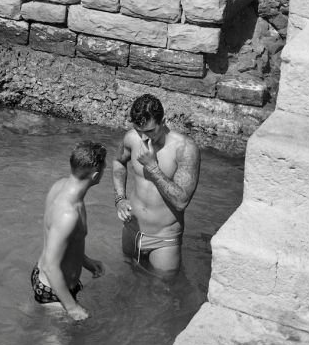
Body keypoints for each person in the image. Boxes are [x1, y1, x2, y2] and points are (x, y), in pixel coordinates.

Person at [112, 93, 200, 275]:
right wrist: (120, 198)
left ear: (164, 121)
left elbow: (181, 201)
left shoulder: (185, 148)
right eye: (139, 130)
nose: (144, 138)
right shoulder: (131, 138)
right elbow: (118, 162)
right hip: (131, 230)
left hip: (163, 239)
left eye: (151, 131)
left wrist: (153, 167)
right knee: (126, 278)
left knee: (163, 291)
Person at [32, 141, 106, 322]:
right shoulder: (69, 214)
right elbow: (51, 267)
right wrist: (72, 308)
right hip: (54, 291)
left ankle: (31, 314)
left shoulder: (60, 186)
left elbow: (65, 243)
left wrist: (86, 262)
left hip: (44, 279)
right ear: (96, 175)